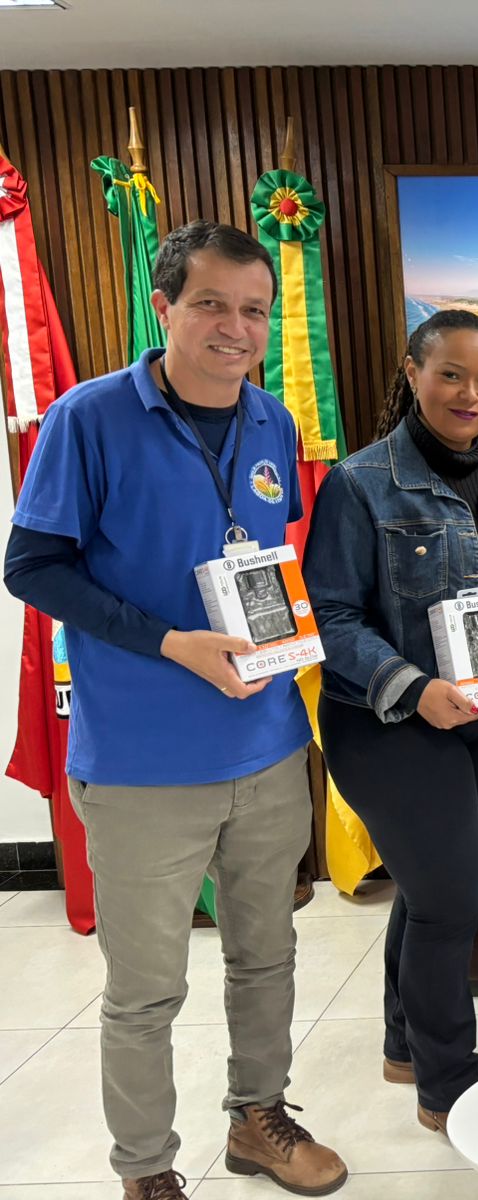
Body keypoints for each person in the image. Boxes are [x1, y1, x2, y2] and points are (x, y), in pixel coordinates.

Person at [4, 221, 347, 1200]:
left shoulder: (273, 421)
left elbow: (261, 559)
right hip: (142, 765)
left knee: (267, 958)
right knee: (146, 989)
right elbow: (32, 566)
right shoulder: (88, 418)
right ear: (162, 307)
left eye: (254, 310)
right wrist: (171, 643)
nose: (236, 329)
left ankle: (257, 1118)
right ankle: (147, 1171)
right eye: (211, 305)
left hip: (267, 748)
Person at [302, 309, 478, 1136]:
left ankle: (404, 1046)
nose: (470, 394)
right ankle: (445, 1084)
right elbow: (330, 617)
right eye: (451, 374)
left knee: (428, 889)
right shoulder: (360, 483)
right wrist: (413, 688)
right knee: (451, 902)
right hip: (388, 725)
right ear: (413, 373)